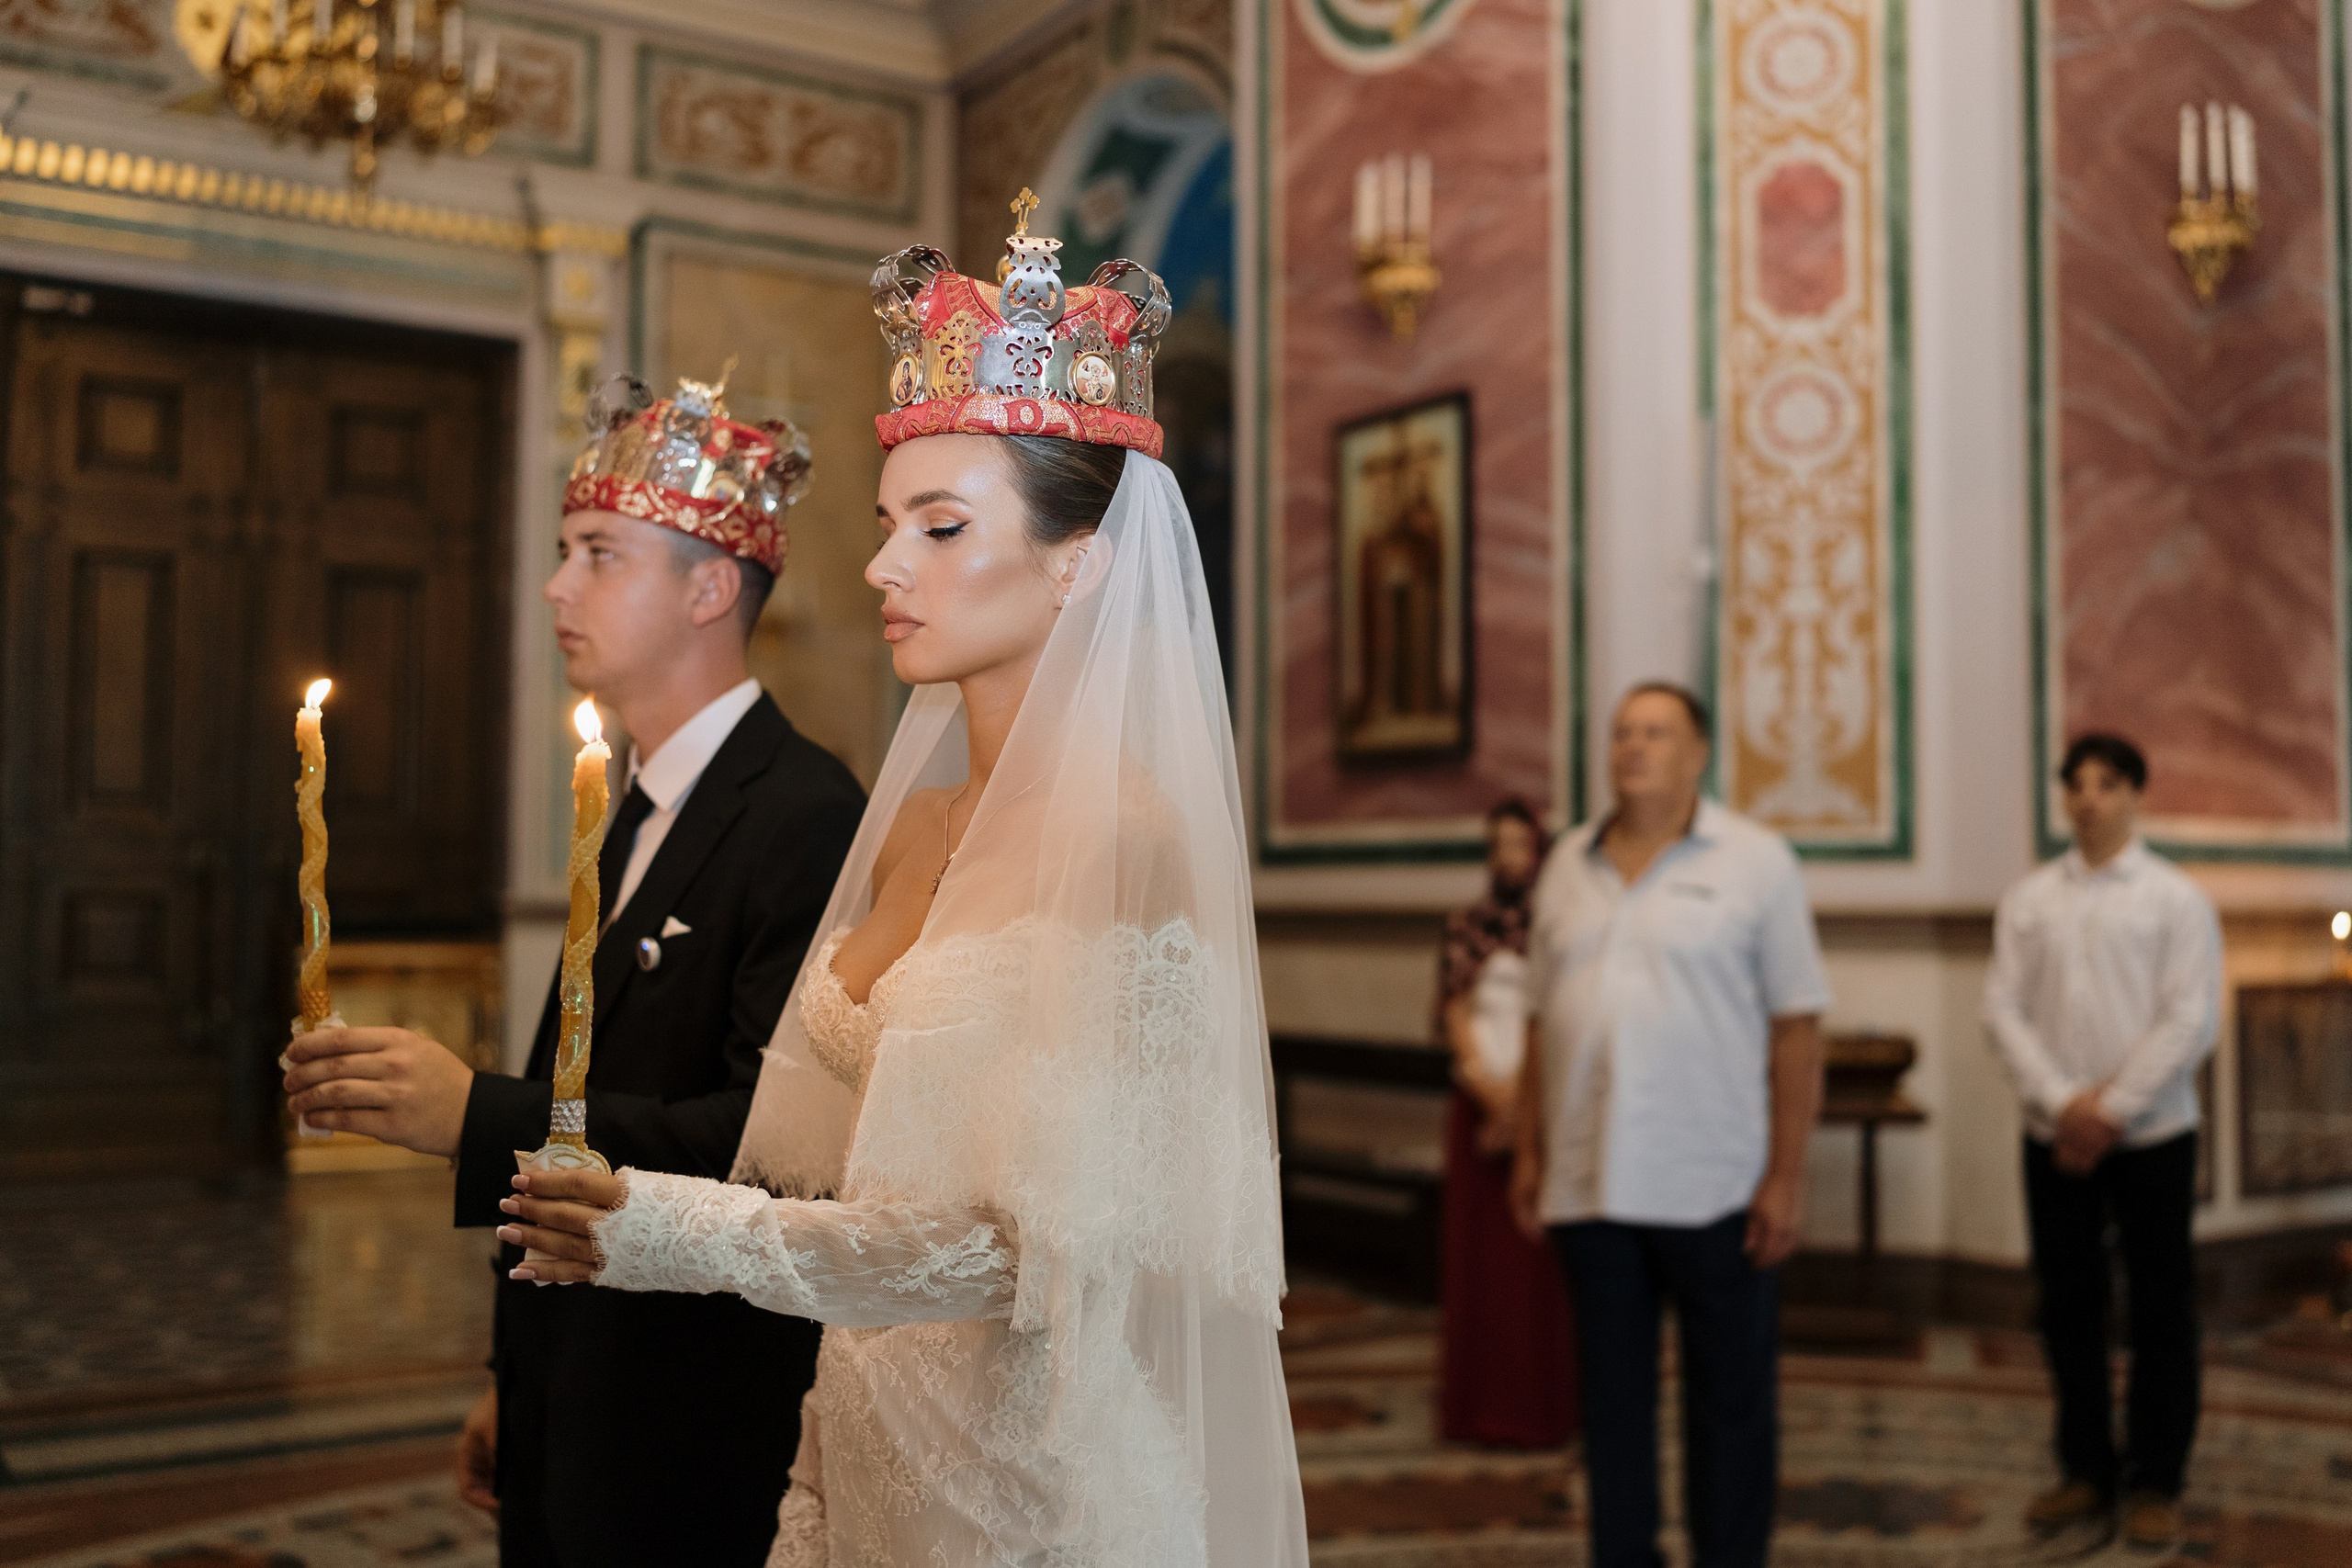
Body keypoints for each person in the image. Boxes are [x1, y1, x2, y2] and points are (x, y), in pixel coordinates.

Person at [488, 203, 1310, 1567]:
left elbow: (1030, 1252)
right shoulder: (917, 816)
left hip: (1034, 1477)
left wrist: (675, 1230)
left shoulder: (1126, 831)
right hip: (869, 1427)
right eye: (886, 526)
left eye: (938, 527)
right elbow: (832, 1159)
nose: (881, 565)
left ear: (1077, 562)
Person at [283, 373, 865, 1566]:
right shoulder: (634, 797)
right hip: (580, 1372)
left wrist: (472, 1114)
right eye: (564, 550)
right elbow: (594, 1070)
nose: (557, 585)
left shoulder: (803, 811)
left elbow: (775, 1142)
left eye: (600, 552)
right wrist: (519, 1371)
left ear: (710, 585)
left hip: (690, 1398)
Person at [1510, 682, 1829, 1568]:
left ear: (1699, 754)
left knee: (1730, 1405)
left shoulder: (1758, 862)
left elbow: (1799, 1023)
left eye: (1655, 732)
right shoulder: (1567, 861)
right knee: (1612, 1406)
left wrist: (1786, 1175)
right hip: (1590, 1182)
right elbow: (1540, 1018)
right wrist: (1531, 1150)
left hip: (1716, 1181)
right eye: (1621, 733)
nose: (1633, 748)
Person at [1984, 732, 2221, 1551]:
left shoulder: (2175, 899)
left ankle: (2157, 1478)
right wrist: (2061, 1103)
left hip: (2152, 1135)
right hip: (2054, 1138)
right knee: (2068, 1306)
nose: (2089, 798)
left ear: (2135, 795)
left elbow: (2190, 1017)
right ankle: (2084, 1466)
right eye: (2077, 784)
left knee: (2160, 1308)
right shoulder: (2030, 898)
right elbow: (2002, 1009)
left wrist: (2111, 1108)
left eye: (2107, 783)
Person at [1434, 797, 1577, 1448]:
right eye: (1499, 844)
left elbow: (1560, 1018)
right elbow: (1452, 1010)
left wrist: (1524, 1107)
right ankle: (1478, 1406)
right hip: (1478, 1102)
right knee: (1479, 1267)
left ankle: (1540, 1406)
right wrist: (1490, 1093)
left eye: (1521, 845)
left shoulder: (1556, 928)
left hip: (1541, 1110)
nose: (1509, 858)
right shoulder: (1465, 924)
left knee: (1535, 1269)